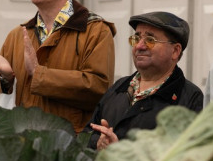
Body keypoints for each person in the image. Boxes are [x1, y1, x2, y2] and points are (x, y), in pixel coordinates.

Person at [0, 0, 116, 133]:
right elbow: (0, 104)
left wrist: (39, 75)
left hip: (70, 147)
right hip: (24, 146)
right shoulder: (17, 36)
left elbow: (98, 89)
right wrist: (6, 78)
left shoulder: (95, 30)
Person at [84, 12, 203, 150]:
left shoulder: (189, 97)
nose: (139, 46)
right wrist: (99, 142)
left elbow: (191, 155)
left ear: (175, 51)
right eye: (136, 38)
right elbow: (86, 135)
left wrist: (124, 152)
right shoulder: (119, 87)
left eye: (150, 40)